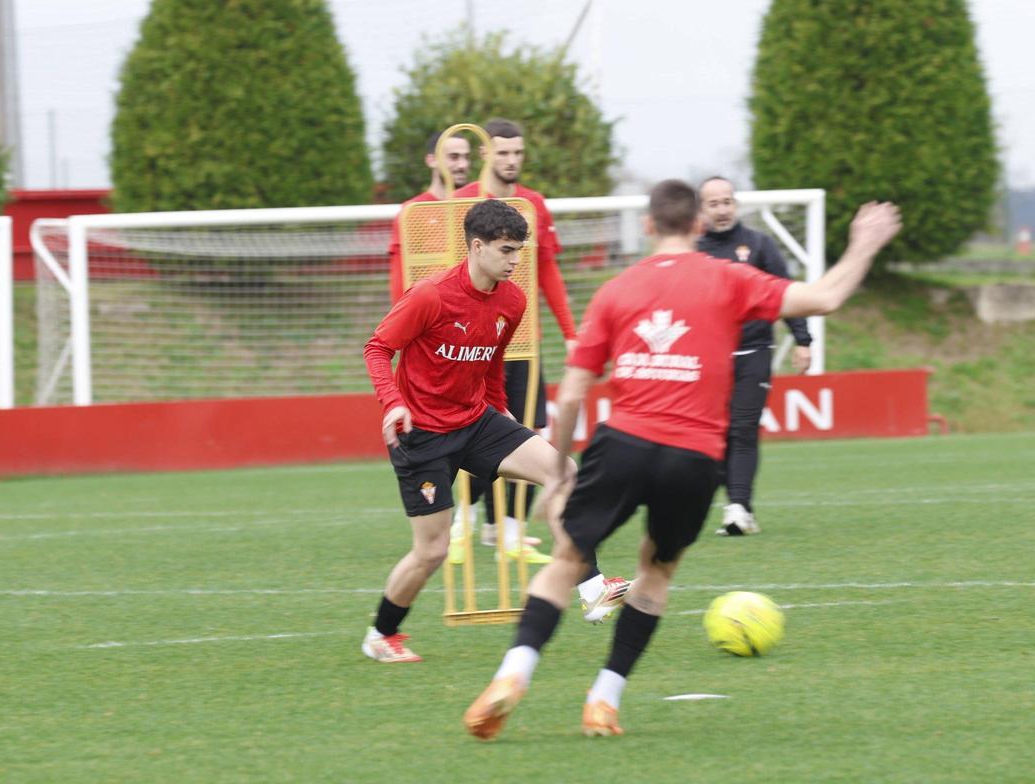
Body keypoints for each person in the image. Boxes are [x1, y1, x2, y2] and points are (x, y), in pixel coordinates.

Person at [462, 180, 901, 738]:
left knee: (568, 557)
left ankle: (514, 671)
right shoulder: (731, 277)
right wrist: (864, 243)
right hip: (693, 454)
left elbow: (572, 392)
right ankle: (605, 697)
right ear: (698, 226)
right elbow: (825, 298)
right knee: (657, 568)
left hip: (622, 442)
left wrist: (557, 471)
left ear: (648, 226)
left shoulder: (617, 290)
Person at [361, 198, 578, 663]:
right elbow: (378, 349)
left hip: (477, 423)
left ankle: (591, 585)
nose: (515, 261)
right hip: (421, 434)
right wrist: (393, 403)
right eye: (505, 250)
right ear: (476, 247)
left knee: (564, 470)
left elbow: (493, 363)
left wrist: (503, 416)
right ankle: (381, 634)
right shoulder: (431, 295)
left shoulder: (513, 300)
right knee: (432, 552)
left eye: (520, 250)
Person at [454, 118, 630, 620]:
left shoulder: (532, 205)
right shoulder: (461, 203)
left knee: (536, 446)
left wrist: (572, 331)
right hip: (458, 357)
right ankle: (463, 527)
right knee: (432, 532)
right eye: (503, 152)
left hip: (516, 344)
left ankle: (524, 542)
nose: (511, 160)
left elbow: (547, 268)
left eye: (518, 152)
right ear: (488, 154)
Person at [697, 176, 814, 536]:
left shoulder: (760, 245)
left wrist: (802, 339)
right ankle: (720, 504)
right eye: (714, 203)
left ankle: (739, 509)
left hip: (754, 351)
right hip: (709, 357)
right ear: (702, 209)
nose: (722, 209)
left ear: (736, 204)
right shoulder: (693, 251)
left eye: (727, 201)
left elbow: (786, 294)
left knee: (743, 429)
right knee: (713, 436)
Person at [386, 131, 473, 304]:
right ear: (431, 160)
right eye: (454, 157)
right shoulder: (413, 212)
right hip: (431, 315)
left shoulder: (475, 208)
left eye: (466, 157)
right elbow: (400, 278)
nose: (462, 164)